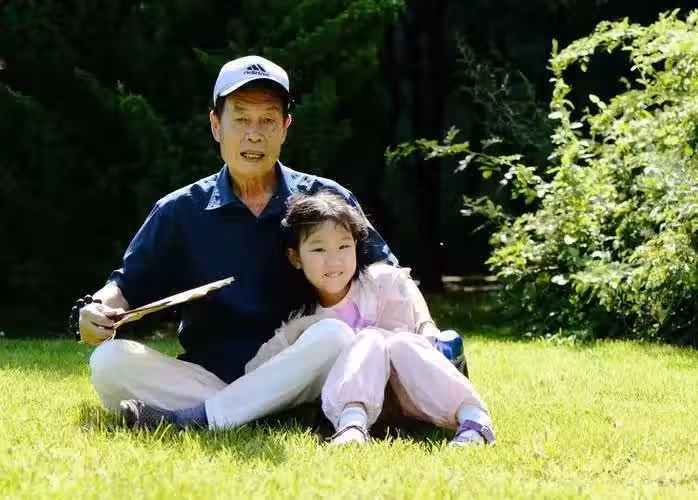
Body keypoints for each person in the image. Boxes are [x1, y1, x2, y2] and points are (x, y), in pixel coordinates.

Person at [72, 55, 395, 430]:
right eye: (241, 119)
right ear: (216, 125)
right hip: (210, 377)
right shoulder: (179, 210)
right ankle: (264, 412)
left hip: (307, 368)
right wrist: (97, 310)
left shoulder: (326, 199)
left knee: (334, 335)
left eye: (267, 120)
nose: (254, 134)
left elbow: (386, 277)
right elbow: (126, 287)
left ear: (285, 127)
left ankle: (199, 418)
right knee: (109, 362)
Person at [135, 191, 493, 444]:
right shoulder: (305, 321)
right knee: (361, 342)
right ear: (296, 258)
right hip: (368, 408)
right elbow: (260, 371)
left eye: (344, 247)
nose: (333, 261)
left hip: (417, 390)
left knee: (388, 341)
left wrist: (429, 329)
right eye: (318, 249)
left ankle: (475, 420)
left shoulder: (381, 282)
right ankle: (352, 427)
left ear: (358, 247)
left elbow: (411, 299)